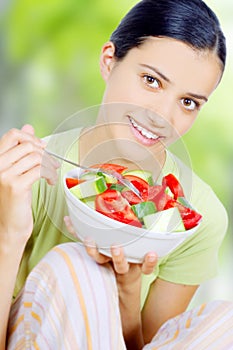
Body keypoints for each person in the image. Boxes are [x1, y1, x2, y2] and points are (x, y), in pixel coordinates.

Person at [0, 0, 229, 348]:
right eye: (151, 80)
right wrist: (9, 234)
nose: (163, 116)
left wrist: (126, 291)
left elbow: (149, 345)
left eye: (188, 102)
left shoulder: (199, 215)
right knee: (76, 264)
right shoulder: (22, 176)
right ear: (109, 61)